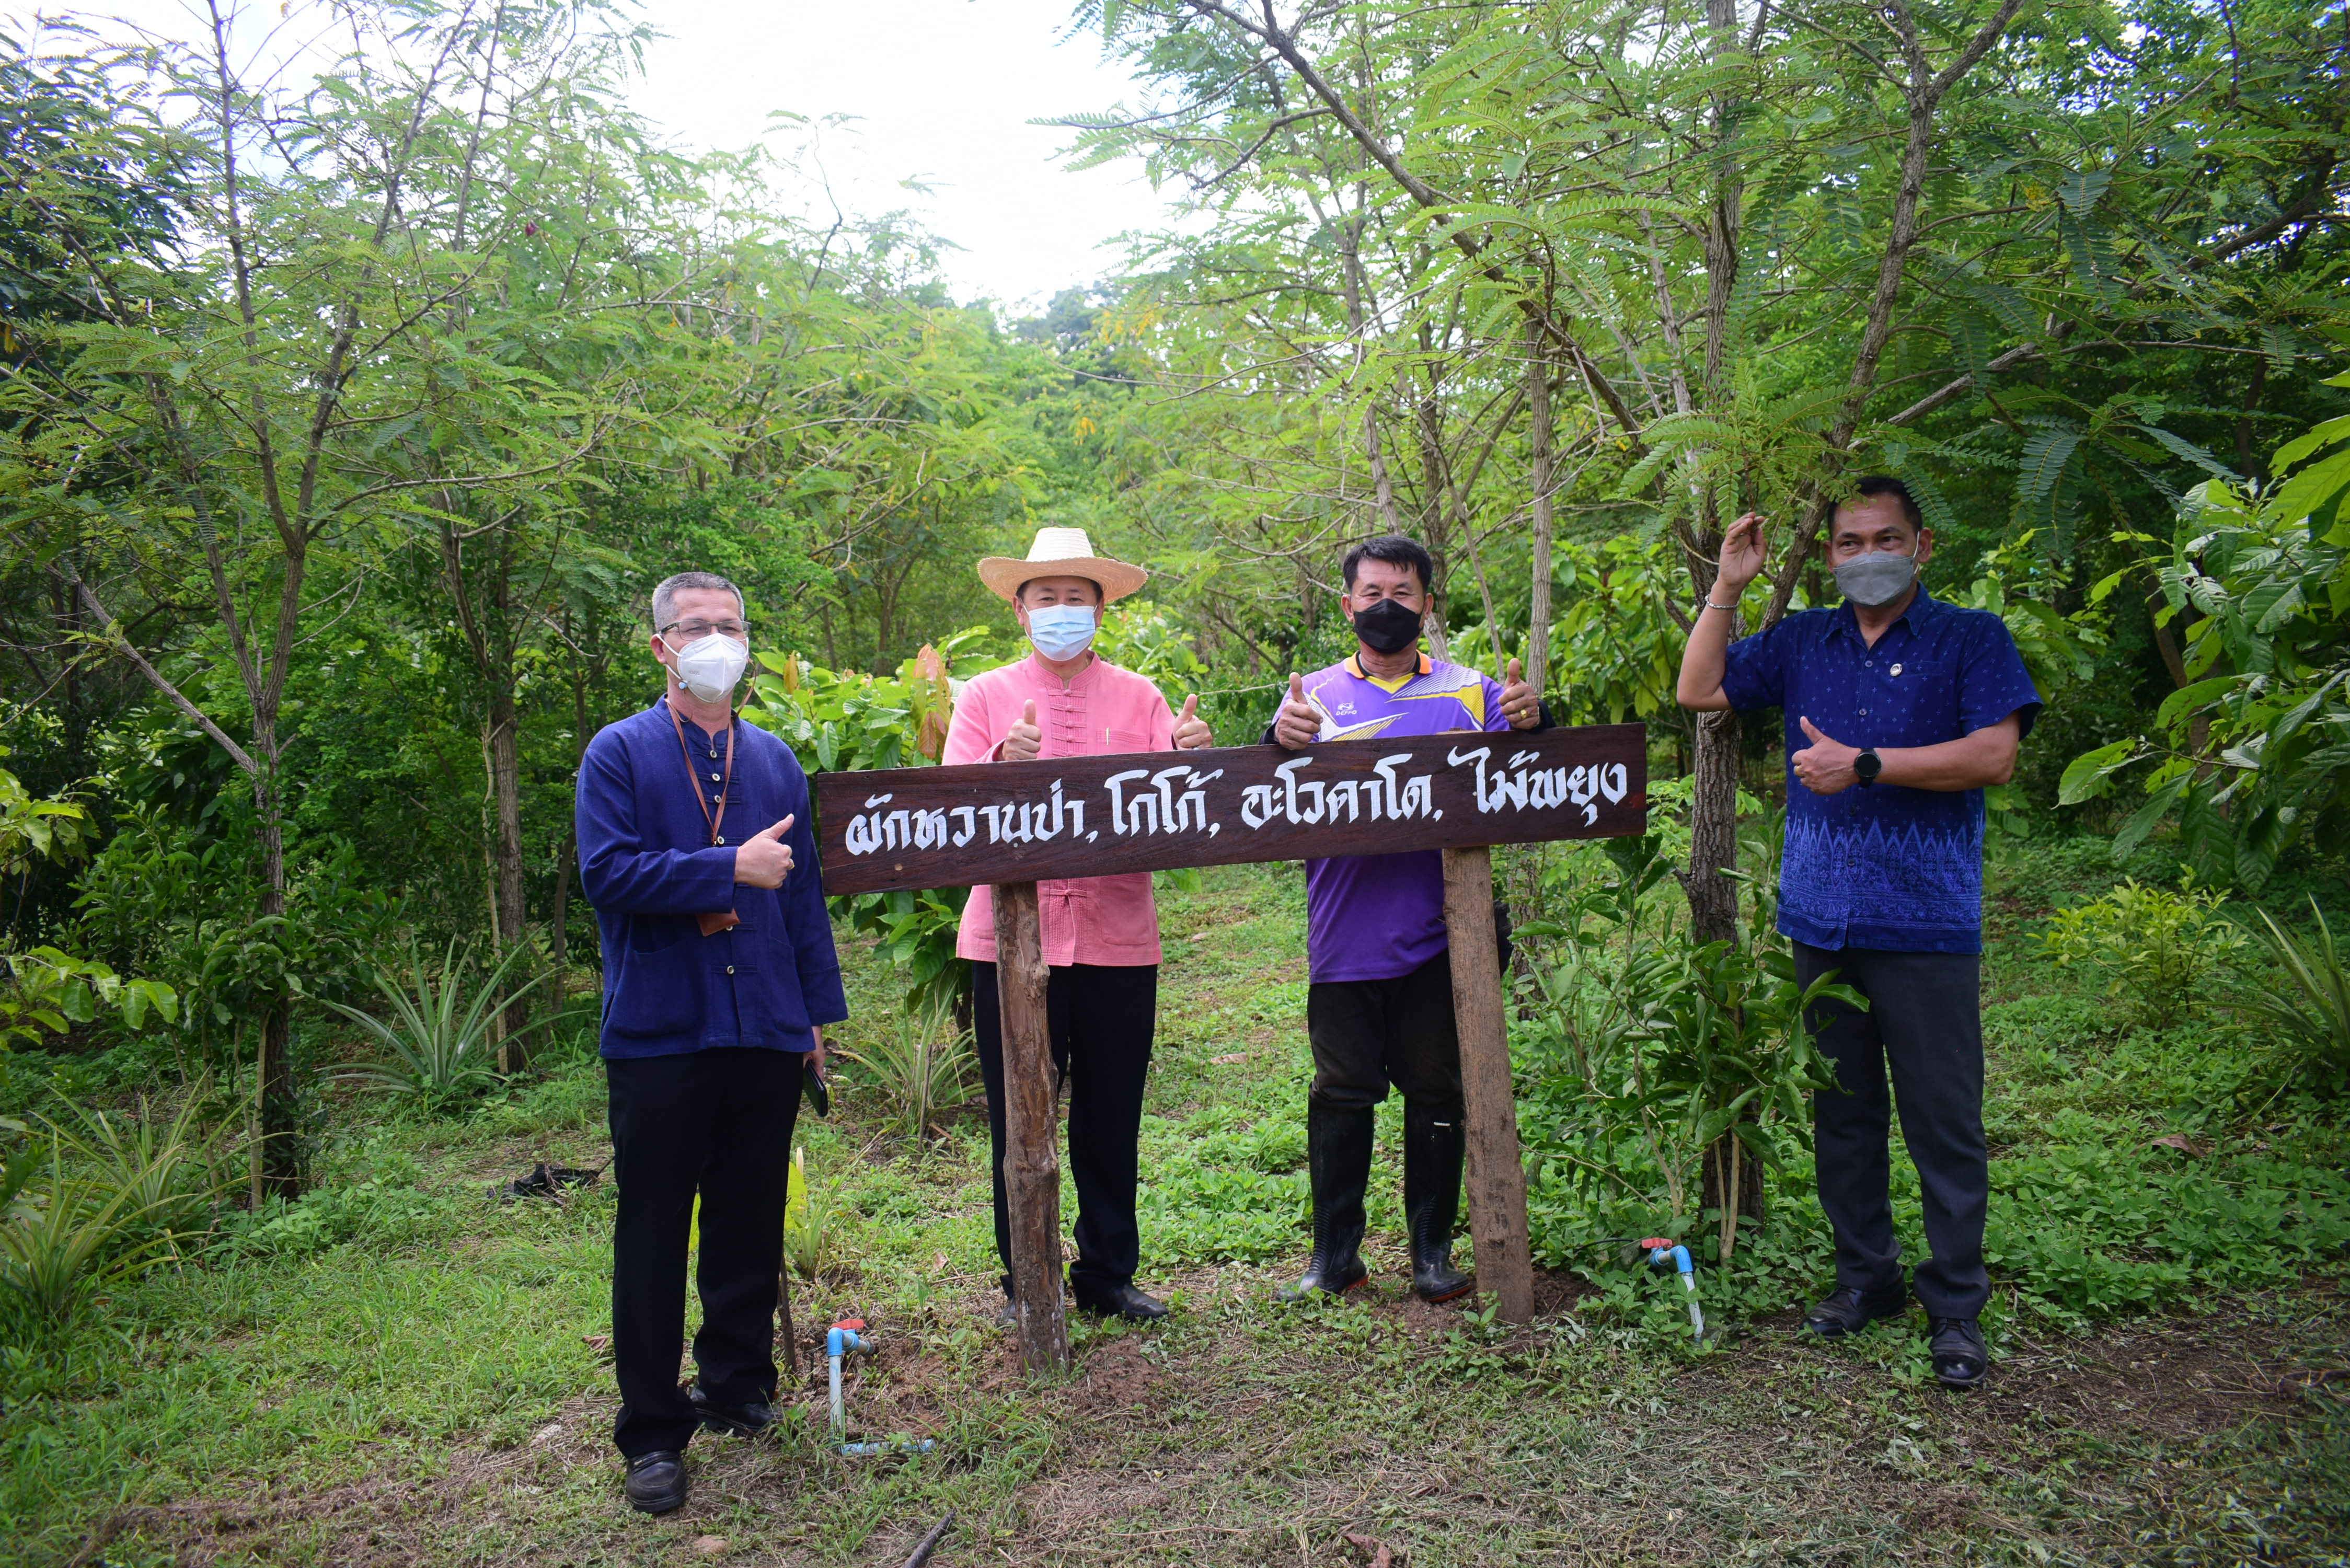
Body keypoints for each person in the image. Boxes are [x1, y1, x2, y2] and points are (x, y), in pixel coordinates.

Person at [1674, 476, 2041, 1390]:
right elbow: (1699, 688)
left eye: (1885, 538)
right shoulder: (1805, 638)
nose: (1866, 555)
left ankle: (1956, 1306)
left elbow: (1994, 755)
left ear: (1921, 547)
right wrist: (1729, 584)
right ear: (1831, 557)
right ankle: (1865, 1280)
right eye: (1848, 543)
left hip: (1926, 923)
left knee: (1943, 1122)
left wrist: (1868, 765)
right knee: (1843, 1115)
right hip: (1821, 921)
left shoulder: (1971, 638)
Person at [575, 571, 845, 1514]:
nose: (716, 640)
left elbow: (804, 898)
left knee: (747, 1215)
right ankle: (652, 1432)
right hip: (662, 1030)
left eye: (731, 625)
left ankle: (738, 1386)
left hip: (764, 1022)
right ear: (662, 646)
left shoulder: (775, 760)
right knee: (652, 1229)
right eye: (697, 627)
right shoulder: (617, 755)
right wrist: (727, 867)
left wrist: (812, 1019)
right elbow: (606, 875)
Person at [1267, 534, 1547, 1303]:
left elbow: (1526, 777)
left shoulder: (1473, 690)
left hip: (1443, 937)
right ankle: (1336, 1258)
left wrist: (1532, 719)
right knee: (1341, 1092)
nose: (1386, 608)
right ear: (1347, 604)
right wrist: (1276, 739)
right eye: (1371, 594)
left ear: (1428, 602)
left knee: (1436, 1091)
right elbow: (1267, 787)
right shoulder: (1311, 697)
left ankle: (1432, 1253)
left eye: (1402, 593)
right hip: (1344, 935)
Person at [947, 526, 1216, 1324]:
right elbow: (947, 811)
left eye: (1077, 598)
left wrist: (1191, 758)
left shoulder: (1143, 698)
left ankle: (1106, 1274)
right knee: (1017, 1112)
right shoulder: (983, 695)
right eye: (1046, 598)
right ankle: (1025, 1280)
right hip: (1006, 939)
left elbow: (1181, 815)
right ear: (1020, 612)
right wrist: (1001, 761)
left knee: (1111, 1111)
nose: (1062, 611)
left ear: (1101, 611)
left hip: (1116, 937)